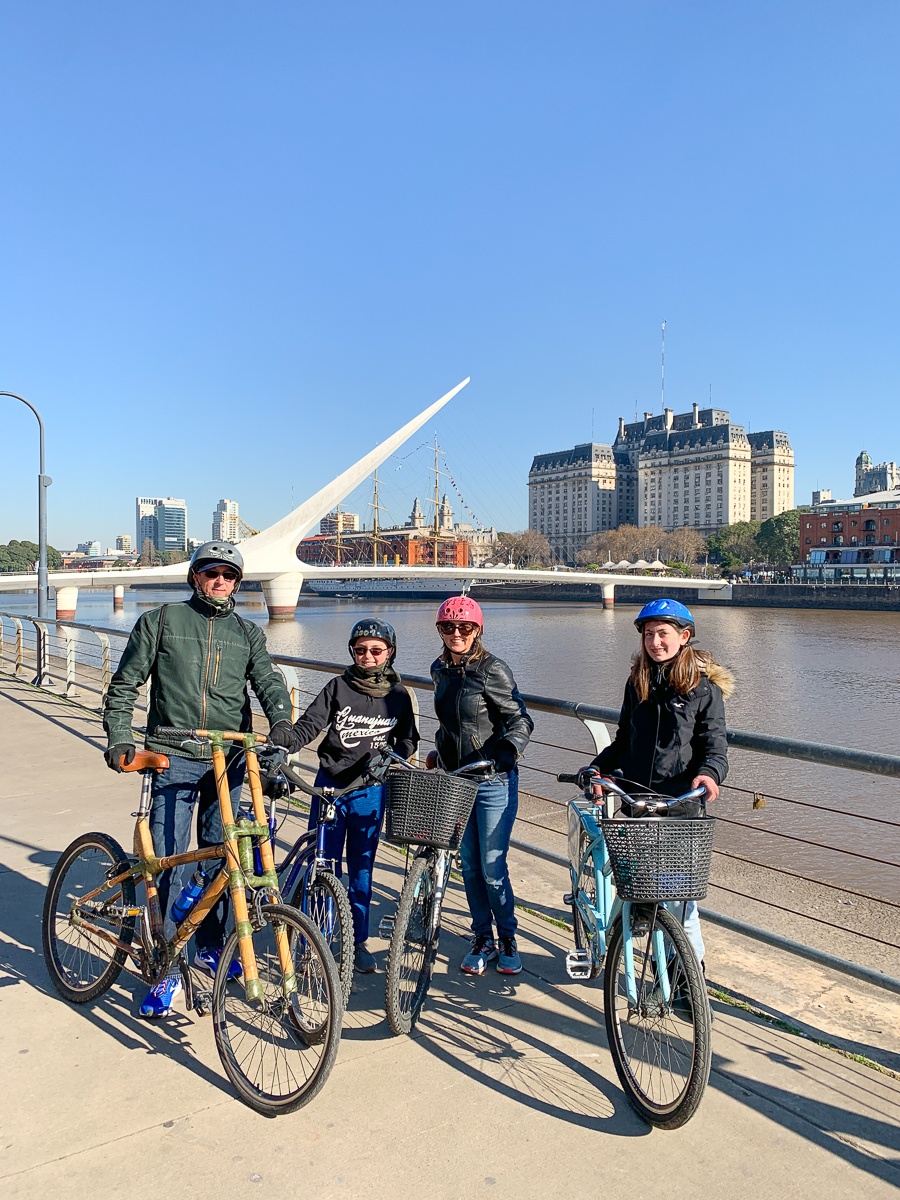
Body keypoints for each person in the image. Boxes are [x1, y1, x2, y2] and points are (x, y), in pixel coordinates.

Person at [102, 541, 295, 1018]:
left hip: (227, 758)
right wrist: (121, 736)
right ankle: (164, 964)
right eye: (211, 573)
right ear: (195, 577)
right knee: (170, 860)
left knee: (224, 855)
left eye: (229, 575)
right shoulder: (162, 620)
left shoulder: (247, 633)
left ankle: (212, 945)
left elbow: (268, 682)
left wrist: (283, 725)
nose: (220, 582)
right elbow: (126, 684)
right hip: (173, 753)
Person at [584, 597, 733, 966]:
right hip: (637, 802)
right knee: (639, 887)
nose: (655, 642)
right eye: (649, 634)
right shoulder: (637, 682)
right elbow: (623, 739)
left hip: (680, 804)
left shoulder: (703, 689)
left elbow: (715, 745)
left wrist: (709, 775)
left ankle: (684, 979)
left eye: (663, 634)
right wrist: (599, 768)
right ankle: (625, 947)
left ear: (684, 637)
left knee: (680, 900)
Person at [284, 619, 418, 973]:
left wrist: (389, 759)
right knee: (323, 865)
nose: (368, 657)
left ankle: (356, 942)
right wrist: (282, 745)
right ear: (352, 652)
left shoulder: (399, 696)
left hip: (370, 793)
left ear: (389, 652)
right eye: (360, 651)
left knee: (361, 872)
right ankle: (319, 940)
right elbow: (310, 725)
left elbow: (408, 739)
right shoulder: (337, 687)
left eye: (376, 650)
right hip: (330, 789)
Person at [430, 596, 533, 976]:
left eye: (465, 628)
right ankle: (482, 938)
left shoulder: (494, 670)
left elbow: (520, 719)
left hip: (492, 781)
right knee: (470, 866)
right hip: (456, 780)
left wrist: (508, 750)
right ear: (440, 631)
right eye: (448, 627)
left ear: (478, 631)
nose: (456, 634)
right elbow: (450, 723)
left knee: (492, 867)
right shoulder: (439, 670)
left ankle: (508, 938)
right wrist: (437, 751)